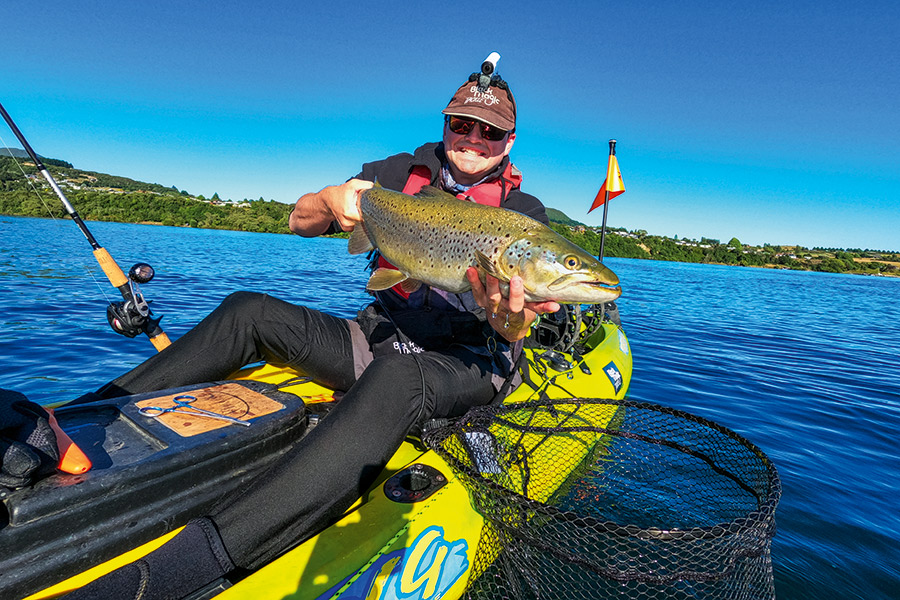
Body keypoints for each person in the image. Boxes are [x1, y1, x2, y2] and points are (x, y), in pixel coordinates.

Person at [58, 63, 560, 599]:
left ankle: (189, 566)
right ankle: (68, 424)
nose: (474, 140)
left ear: (509, 143)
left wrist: (508, 316)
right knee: (247, 309)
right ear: (446, 124)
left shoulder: (524, 216)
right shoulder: (395, 174)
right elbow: (298, 221)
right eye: (464, 124)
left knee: (399, 376)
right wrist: (329, 198)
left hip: (467, 361)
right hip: (383, 336)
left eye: (491, 132)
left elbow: (513, 330)